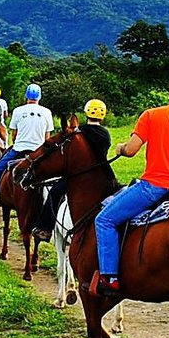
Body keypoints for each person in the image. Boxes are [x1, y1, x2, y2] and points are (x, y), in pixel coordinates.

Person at [93, 75, 169, 298]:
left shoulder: (151, 115)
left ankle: (109, 278)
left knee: (105, 219)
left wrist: (120, 147)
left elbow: (131, 150)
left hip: (153, 188)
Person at [32, 98, 113, 241]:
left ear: (86, 113)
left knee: (55, 193)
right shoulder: (105, 134)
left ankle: (45, 228)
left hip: (78, 175)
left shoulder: (79, 133)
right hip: (101, 175)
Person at [0, 84, 56, 212]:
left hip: (19, 149)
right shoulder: (47, 112)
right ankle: (50, 206)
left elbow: (14, 134)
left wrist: (17, 142)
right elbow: (47, 137)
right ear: (39, 97)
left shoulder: (18, 111)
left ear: (26, 96)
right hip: (38, 152)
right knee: (53, 176)